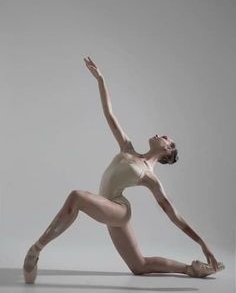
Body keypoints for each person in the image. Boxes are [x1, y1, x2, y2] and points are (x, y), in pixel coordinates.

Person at [23, 56, 225, 284]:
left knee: (76, 197)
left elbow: (173, 215)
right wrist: (101, 79)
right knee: (139, 266)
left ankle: (36, 249)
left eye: (165, 138)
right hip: (110, 209)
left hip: (119, 210)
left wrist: (202, 243)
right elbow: (110, 114)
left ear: (168, 151)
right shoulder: (127, 148)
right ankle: (191, 269)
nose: (160, 134)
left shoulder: (149, 176)